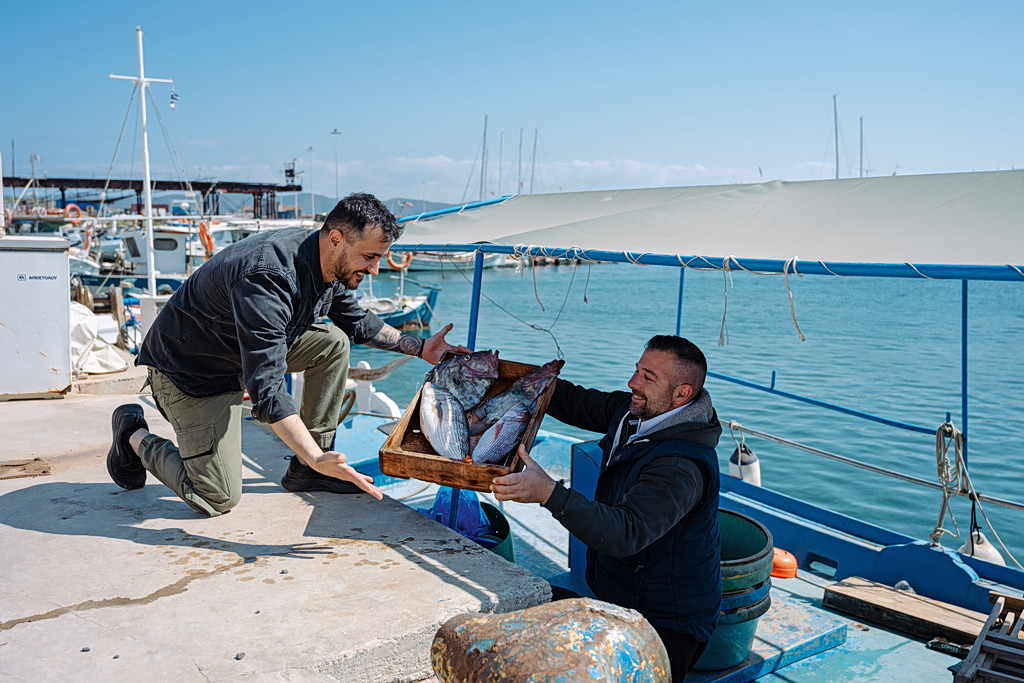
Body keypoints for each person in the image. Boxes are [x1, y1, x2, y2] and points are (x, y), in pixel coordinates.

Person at [107, 192, 469, 517]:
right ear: (336, 239)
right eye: (371, 257)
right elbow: (267, 390)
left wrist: (421, 347)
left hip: (236, 357)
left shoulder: (327, 262)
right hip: (190, 374)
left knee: (333, 342)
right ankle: (133, 436)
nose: (375, 269)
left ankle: (309, 469)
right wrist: (313, 453)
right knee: (217, 497)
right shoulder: (268, 277)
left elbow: (358, 323)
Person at [490, 335, 722, 681]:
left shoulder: (680, 465)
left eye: (648, 377)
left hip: (668, 619)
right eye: (636, 370)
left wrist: (548, 493)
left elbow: (625, 532)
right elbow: (574, 402)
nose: (633, 383)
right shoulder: (635, 413)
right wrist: (499, 375)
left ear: (681, 394)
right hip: (626, 592)